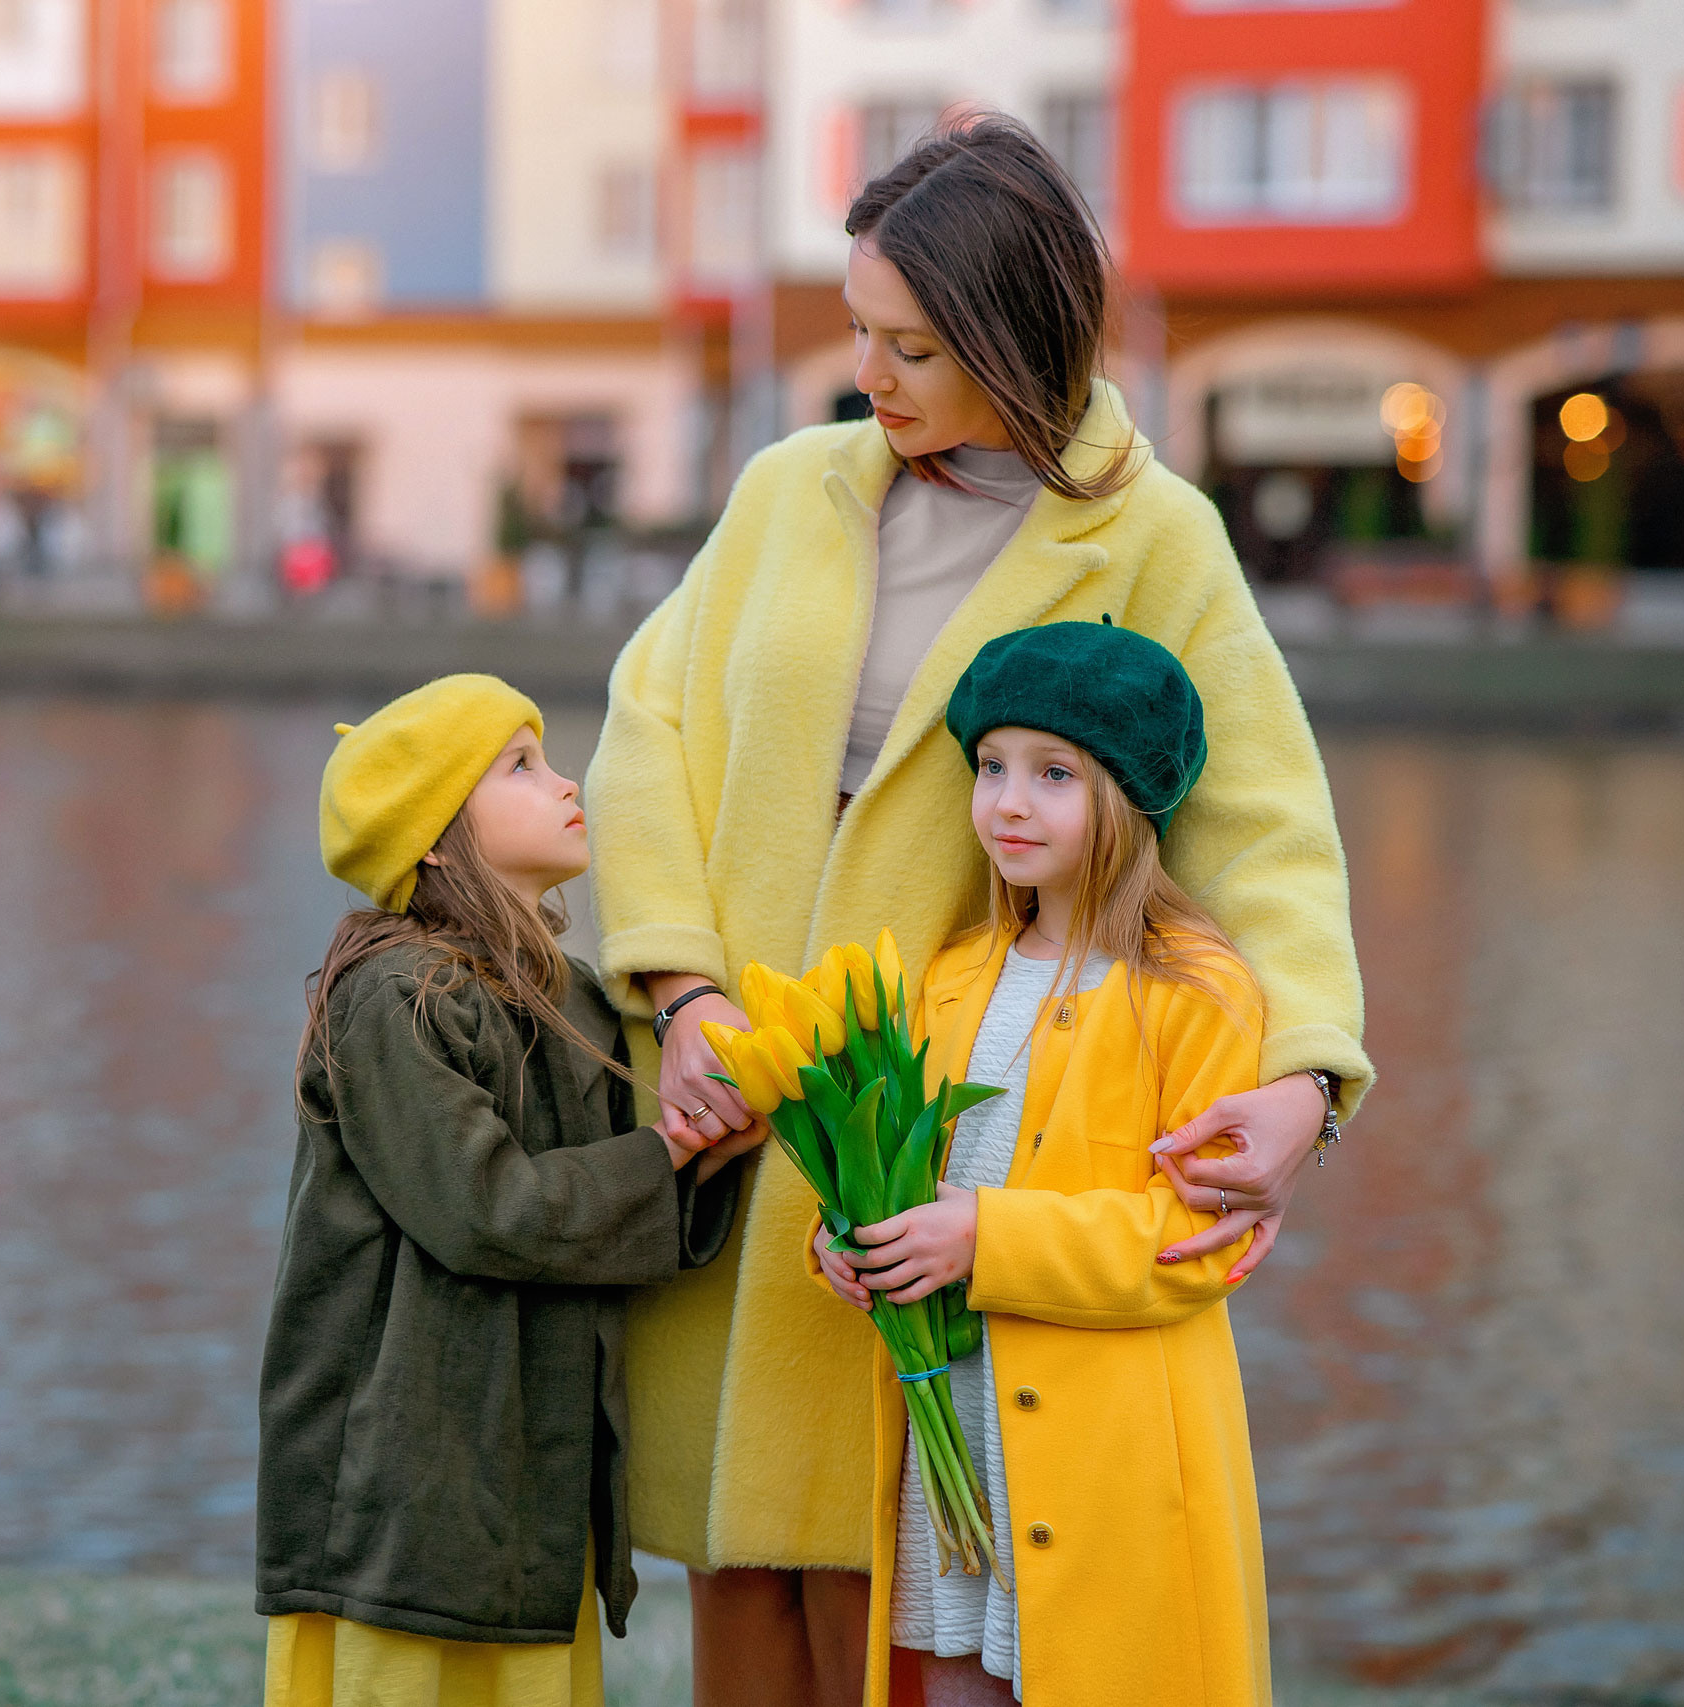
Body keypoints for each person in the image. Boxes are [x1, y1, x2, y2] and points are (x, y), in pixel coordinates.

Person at [583, 113, 1367, 1704]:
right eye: (862, 332)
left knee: (905, 1596)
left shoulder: (1155, 541)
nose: (869, 374)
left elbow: (1263, 824)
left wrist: (1304, 1081)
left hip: (942, 1150)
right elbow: (646, 723)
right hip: (737, 1110)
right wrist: (682, 992)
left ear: (1019, 335)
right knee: (740, 1579)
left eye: (913, 344)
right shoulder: (792, 486)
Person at [258, 674, 756, 1707]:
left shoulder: (575, 995)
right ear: (433, 835)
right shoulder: (392, 997)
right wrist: (667, 1155)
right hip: (401, 1497)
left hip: (531, 1479)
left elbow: (618, 1205)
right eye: (519, 766)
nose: (563, 780)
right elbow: (491, 1213)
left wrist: (716, 1146)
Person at [816, 622, 1273, 1706]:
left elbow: (1193, 1240)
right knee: (954, 1676)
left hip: (1105, 1455)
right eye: (989, 768)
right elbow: (895, 1163)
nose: (1006, 803)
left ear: (1128, 794)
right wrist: (844, 1240)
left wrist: (983, 1234)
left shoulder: (1196, 991)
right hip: (956, 1434)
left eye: (1053, 774)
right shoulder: (945, 977)